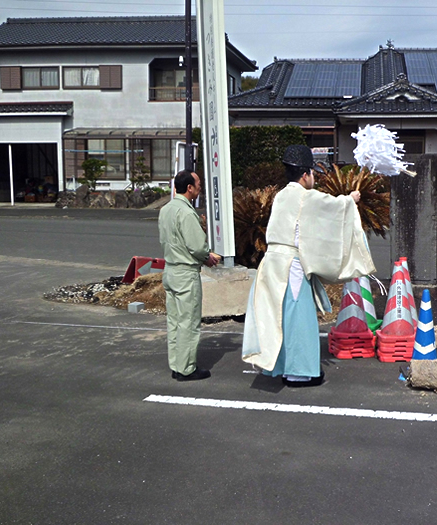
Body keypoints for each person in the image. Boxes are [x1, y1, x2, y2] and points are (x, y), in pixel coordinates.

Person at [242, 145, 375, 387]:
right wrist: (350, 200)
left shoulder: (281, 195)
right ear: (305, 174)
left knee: (277, 317)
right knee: (298, 318)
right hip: (291, 266)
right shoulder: (304, 196)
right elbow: (332, 208)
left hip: (271, 264)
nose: (314, 178)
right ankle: (299, 373)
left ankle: (283, 367)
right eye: (313, 173)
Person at [159, 170, 220, 381]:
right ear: (189, 188)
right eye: (198, 184)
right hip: (185, 273)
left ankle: (177, 365)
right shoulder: (186, 212)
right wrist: (207, 257)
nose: (200, 188)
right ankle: (186, 368)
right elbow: (197, 247)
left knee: (175, 321)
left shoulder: (166, 210)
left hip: (170, 270)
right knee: (189, 322)